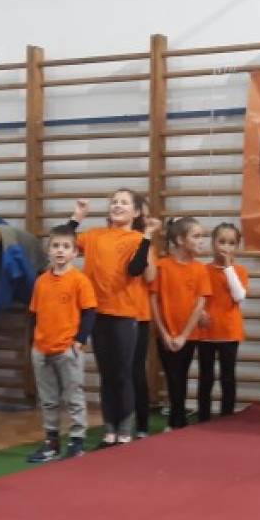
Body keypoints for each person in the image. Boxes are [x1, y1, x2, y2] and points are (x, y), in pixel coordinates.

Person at [69, 191, 158, 446]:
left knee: (123, 374)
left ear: (136, 212)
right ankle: (109, 429)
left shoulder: (137, 239)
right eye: (114, 202)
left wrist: (147, 236)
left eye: (124, 203)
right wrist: (77, 216)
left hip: (125, 315)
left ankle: (125, 430)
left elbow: (136, 270)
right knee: (106, 374)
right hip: (98, 314)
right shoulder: (94, 235)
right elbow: (61, 240)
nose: (117, 206)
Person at [26, 223, 97, 463]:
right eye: (55, 246)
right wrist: (34, 343)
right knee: (48, 399)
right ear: (48, 250)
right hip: (41, 349)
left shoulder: (80, 281)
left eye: (66, 247)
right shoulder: (41, 282)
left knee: (74, 396)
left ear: (74, 253)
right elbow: (34, 314)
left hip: (67, 350)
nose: (60, 250)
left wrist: (79, 341)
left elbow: (89, 312)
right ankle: (51, 442)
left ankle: (77, 441)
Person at [151, 217, 210, 430]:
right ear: (179, 240)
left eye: (202, 236)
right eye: (196, 236)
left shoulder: (200, 269)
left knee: (181, 377)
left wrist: (184, 335)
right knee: (173, 377)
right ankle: (176, 421)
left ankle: (178, 421)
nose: (201, 241)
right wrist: (164, 334)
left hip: (189, 336)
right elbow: (154, 301)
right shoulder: (162, 266)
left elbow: (200, 303)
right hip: (166, 335)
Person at [196, 222, 248, 422]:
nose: (226, 247)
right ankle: (203, 418)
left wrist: (228, 268)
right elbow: (195, 297)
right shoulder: (202, 270)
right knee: (206, 377)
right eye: (222, 242)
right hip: (206, 332)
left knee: (228, 377)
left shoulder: (239, 271)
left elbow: (239, 296)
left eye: (231, 243)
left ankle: (227, 418)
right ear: (213, 243)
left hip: (229, 332)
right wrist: (199, 313)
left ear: (237, 247)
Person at [130, 195, 156, 439]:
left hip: (137, 315)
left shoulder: (144, 242)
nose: (147, 219)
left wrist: (146, 240)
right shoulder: (111, 238)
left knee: (136, 369)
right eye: (144, 215)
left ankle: (141, 424)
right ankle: (116, 424)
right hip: (112, 313)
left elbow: (150, 277)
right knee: (115, 372)